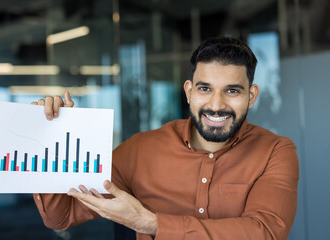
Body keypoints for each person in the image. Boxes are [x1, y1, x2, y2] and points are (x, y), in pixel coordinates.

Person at [32, 36, 299, 240]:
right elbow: (62, 215)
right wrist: (53, 138)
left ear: (251, 96)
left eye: (232, 91)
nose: (216, 105)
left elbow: (265, 232)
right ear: (189, 91)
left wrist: (151, 223)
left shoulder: (276, 151)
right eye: (205, 89)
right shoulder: (140, 149)